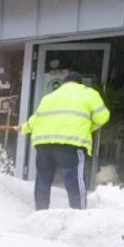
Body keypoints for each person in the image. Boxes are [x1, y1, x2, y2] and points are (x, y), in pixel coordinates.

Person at [21, 71, 110, 210]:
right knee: (74, 181)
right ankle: (78, 214)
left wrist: (22, 128)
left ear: (64, 83)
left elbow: (34, 120)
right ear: (79, 83)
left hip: (43, 144)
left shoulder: (49, 97)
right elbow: (102, 117)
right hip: (71, 143)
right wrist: (89, 127)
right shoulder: (88, 93)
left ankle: (40, 212)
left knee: (43, 180)